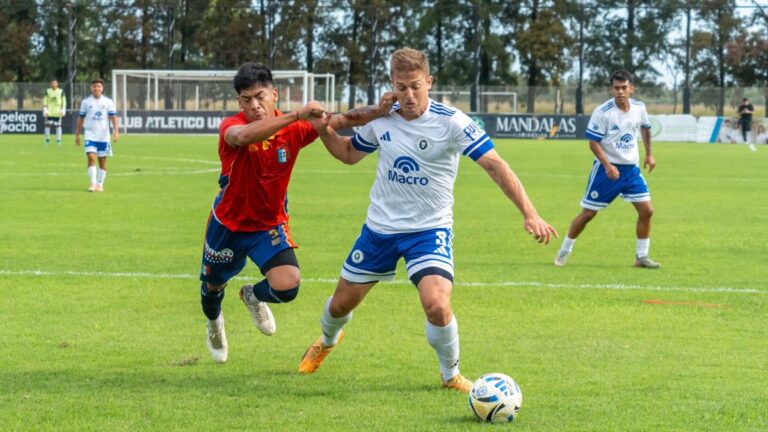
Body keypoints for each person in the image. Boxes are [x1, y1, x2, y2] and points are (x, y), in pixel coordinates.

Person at [297, 48, 558, 393]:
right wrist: (324, 132)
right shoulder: (382, 119)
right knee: (340, 304)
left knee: (437, 304)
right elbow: (348, 154)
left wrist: (530, 213)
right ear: (392, 85)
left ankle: (451, 375)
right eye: (401, 87)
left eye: (415, 86)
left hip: (429, 230)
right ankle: (327, 340)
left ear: (429, 82)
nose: (409, 95)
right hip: (380, 230)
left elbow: (496, 165)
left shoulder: (452, 122)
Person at [199, 62, 393, 363]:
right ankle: (214, 324)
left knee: (288, 286)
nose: (254, 105)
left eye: (260, 96)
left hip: (268, 226)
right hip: (228, 226)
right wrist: (296, 115)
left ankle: (252, 296)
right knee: (212, 287)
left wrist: (379, 110)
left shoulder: (295, 129)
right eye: (247, 99)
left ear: (274, 95)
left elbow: (342, 119)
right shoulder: (232, 126)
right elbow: (243, 137)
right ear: (239, 103)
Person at [554, 70, 660, 269]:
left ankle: (641, 257)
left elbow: (646, 128)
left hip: (631, 171)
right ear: (611, 89)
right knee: (588, 214)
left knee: (647, 211)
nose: (620, 92)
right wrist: (607, 165)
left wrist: (649, 154)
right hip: (606, 171)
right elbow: (593, 143)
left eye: (624, 88)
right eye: (616, 88)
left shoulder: (639, 108)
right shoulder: (602, 112)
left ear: (631, 88)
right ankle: (564, 251)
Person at [75, 79, 118, 192]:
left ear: (102, 88)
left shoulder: (108, 102)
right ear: (91, 88)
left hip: (103, 136)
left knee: (102, 161)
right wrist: (77, 135)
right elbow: (81, 118)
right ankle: (93, 184)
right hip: (90, 134)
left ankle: (100, 184)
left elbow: (113, 117)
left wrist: (116, 131)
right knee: (91, 157)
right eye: (94, 86)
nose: (97, 88)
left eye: (99, 86)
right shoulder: (86, 102)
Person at [43, 79, 67, 146]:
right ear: (51, 84)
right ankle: (47, 139)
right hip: (49, 111)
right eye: (52, 83)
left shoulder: (61, 91)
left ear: (57, 84)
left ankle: (58, 140)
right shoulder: (48, 91)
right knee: (47, 125)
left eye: (55, 83)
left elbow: (64, 101)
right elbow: (45, 100)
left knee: (58, 125)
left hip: (57, 112)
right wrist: (45, 109)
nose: (53, 84)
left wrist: (63, 109)